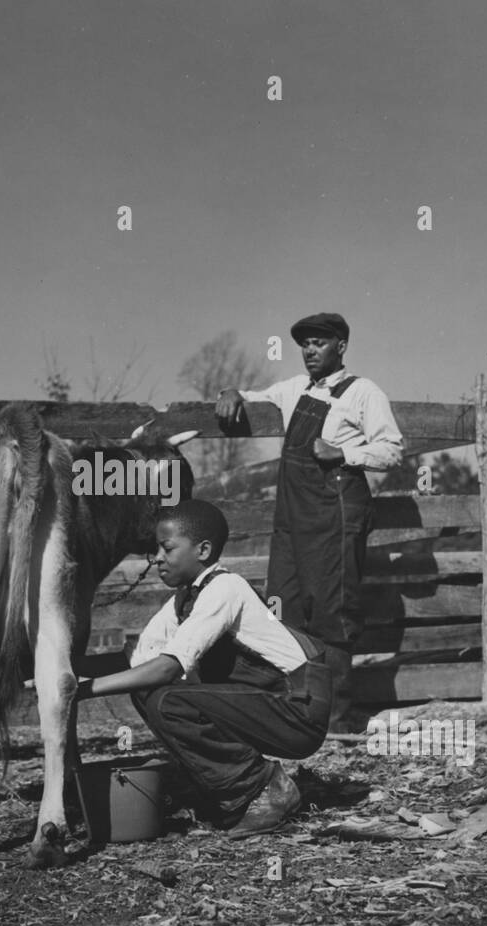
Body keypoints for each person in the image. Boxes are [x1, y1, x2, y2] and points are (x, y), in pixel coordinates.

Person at [72, 500, 333, 838]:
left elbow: (166, 668)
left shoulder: (225, 588)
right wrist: (62, 671)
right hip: (263, 703)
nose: (157, 559)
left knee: (168, 701)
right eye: (155, 550)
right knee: (147, 690)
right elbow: (139, 657)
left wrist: (83, 690)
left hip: (298, 709)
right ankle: (231, 788)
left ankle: (263, 788)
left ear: (203, 550)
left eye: (167, 548)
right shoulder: (184, 598)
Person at [214, 312, 403, 733]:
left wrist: (344, 454)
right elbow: (253, 395)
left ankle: (335, 719)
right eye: (305, 344)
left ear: (341, 346)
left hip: (336, 513)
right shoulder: (295, 389)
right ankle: (297, 711)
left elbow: (392, 449)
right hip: (293, 518)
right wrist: (231, 392)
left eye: (319, 342)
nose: (310, 351)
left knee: (332, 608)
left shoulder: (363, 392)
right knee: (286, 604)